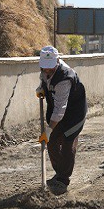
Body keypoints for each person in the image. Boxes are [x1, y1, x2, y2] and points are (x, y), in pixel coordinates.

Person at [35, 46, 87, 195]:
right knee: (51, 143)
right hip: (58, 110)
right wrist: (41, 88)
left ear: (57, 61)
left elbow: (60, 111)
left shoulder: (65, 77)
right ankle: (59, 174)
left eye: (50, 68)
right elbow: (44, 80)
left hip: (74, 114)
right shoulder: (46, 69)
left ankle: (63, 180)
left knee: (67, 145)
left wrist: (49, 129)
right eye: (44, 68)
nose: (46, 71)